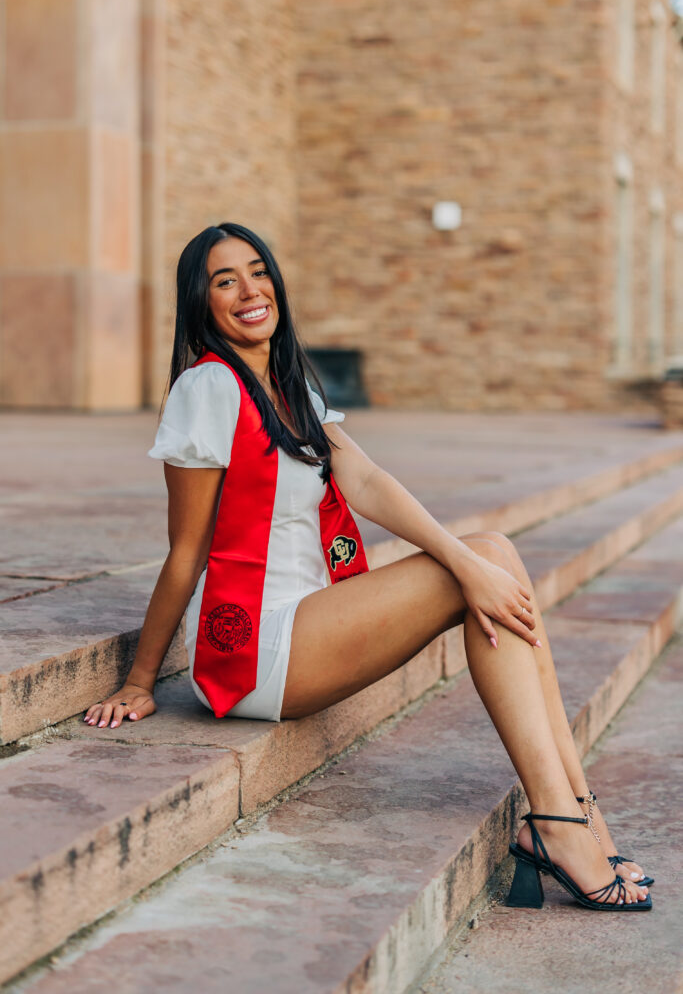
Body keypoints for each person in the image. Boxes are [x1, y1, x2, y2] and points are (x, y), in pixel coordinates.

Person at [84, 222, 652, 912]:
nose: (247, 290)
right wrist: (142, 679)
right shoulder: (208, 388)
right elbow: (186, 550)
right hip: (256, 648)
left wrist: (465, 558)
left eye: (257, 271)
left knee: (492, 555)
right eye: (222, 280)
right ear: (199, 303)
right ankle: (560, 824)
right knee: (478, 566)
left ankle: (575, 814)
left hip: (308, 624)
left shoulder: (283, 384)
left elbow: (369, 481)